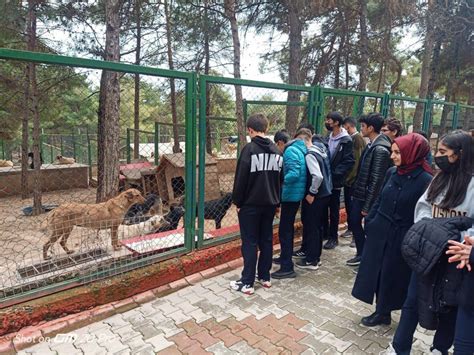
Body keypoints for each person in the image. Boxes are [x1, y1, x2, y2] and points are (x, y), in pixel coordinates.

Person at [385, 130, 474, 355]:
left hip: (455, 258)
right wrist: (432, 232)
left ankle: (440, 348)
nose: (437, 156)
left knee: (448, 306)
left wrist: (458, 243)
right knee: (413, 301)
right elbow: (423, 208)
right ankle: (399, 347)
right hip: (428, 253)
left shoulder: (472, 185)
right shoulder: (438, 178)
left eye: (443, 152)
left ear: (460, 154)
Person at [352, 133, 432, 327]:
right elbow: (380, 197)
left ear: (411, 153)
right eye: (392, 152)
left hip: (402, 235)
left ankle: (384, 311)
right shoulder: (392, 172)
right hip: (380, 230)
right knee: (375, 271)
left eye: (397, 152)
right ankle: (381, 310)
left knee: (391, 274)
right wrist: (370, 220)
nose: (392, 156)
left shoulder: (426, 180)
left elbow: (424, 213)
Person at [230, 113, 283, 294]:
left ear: (250, 129)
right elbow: (280, 180)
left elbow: (241, 179)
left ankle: (247, 283)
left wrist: (237, 201)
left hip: (250, 206)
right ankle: (265, 277)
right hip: (270, 204)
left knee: (250, 242)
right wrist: (278, 203)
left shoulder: (249, 150)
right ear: (266, 129)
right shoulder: (277, 150)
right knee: (266, 240)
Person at [347, 113, 392, 268]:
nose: (361, 129)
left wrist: (367, 206)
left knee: (366, 228)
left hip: (368, 198)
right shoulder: (370, 145)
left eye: (363, 126)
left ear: (371, 128)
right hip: (361, 194)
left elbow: (376, 181)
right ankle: (361, 254)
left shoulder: (380, 149)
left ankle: (367, 259)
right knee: (354, 223)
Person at [271, 128, 309, 279]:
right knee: (285, 230)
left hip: (290, 196)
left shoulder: (289, 151)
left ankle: (287, 267)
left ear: (280, 142)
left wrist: (279, 182)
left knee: (285, 232)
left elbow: (294, 173)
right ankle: (283, 258)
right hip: (294, 195)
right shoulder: (297, 149)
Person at [295, 134, 333, 270]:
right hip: (325, 194)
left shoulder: (310, 155)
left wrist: (312, 192)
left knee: (312, 227)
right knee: (317, 227)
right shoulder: (320, 151)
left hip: (316, 197)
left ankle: (311, 260)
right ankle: (315, 256)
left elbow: (317, 176)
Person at [323, 112, 355, 250]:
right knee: (323, 208)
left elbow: (349, 161)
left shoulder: (346, 140)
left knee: (334, 210)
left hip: (335, 181)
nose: (327, 122)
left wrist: (335, 174)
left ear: (336, 122)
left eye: (329, 120)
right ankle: (325, 233)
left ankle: (333, 238)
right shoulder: (327, 137)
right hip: (325, 179)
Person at [342, 117, 367, 247]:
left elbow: (356, 161)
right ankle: (350, 228)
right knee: (348, 205)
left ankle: (354, 235)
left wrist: (350, 178)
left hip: (353, 181)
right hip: (350, 180)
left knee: (353, 208)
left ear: (348, 126)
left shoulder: (357, 139)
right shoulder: (352, 138)